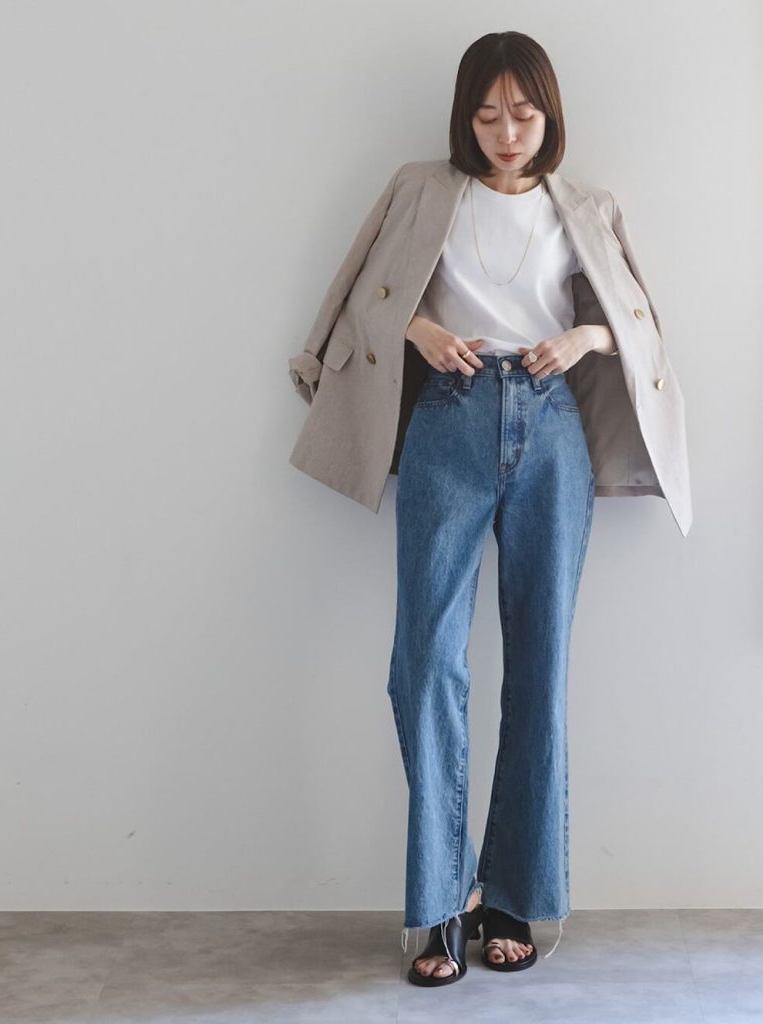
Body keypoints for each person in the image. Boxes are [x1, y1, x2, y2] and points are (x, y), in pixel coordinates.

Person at [287, 29, 691, 990]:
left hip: (552, 429)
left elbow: (641, 327)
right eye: (486, 114)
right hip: (449, 420)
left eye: (524, 113)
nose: (507, 132)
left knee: (539, 666)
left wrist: (582, 336)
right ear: (463, 119)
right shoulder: (421, 189)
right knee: (425, 662)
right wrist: (420, 328)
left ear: (550, 115)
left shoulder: (587, 206)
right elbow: (361, 297)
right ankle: (441, 897)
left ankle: (510, 895)